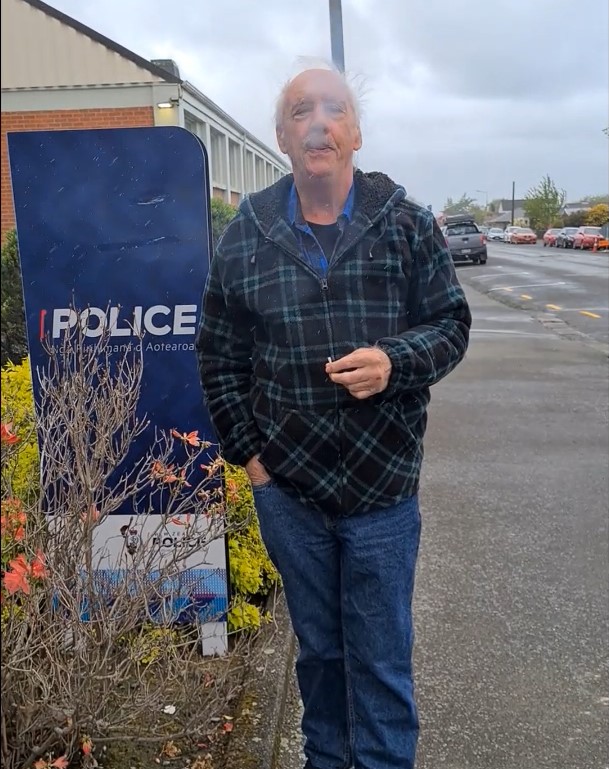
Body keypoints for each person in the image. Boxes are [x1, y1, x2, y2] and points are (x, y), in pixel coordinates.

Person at [196, 65, 471, 769]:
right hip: (289, 493)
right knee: (319, 657)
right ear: (281, 136)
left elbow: (450, 325)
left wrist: (393, 360)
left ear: (355, 133)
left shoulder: (405, 223)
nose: (318, 122)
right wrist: (252, 462)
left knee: (380, 663)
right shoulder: (247, 233)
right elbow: (219, 356)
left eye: (333, 109)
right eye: (300, 111)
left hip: (383, 494)